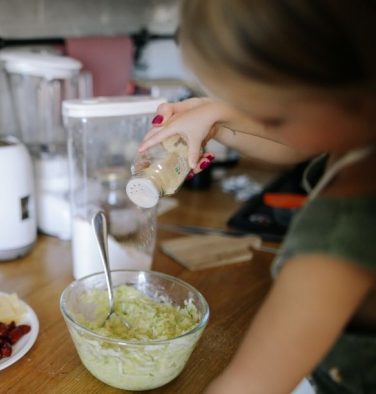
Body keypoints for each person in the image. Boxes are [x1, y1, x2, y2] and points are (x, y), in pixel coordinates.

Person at [139, 1, 375, 393]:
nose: (256, 121)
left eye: (268, 114)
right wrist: (216, 119)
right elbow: (300, 143)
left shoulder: (338, 236)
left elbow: (249, 387)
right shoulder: (356, 129)